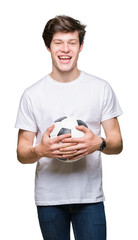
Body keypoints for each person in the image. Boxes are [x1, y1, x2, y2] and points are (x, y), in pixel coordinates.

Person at [15, 15, 123, 240]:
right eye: (58, 42)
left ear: (81, 46)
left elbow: (117, 144)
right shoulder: (32, 95)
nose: (65, 49)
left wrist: (98, 143)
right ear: (48, 46)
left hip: (90, 199)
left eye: (72, 42)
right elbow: (22, 153)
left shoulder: (100, 88)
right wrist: (39, 151)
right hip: (50, 200)